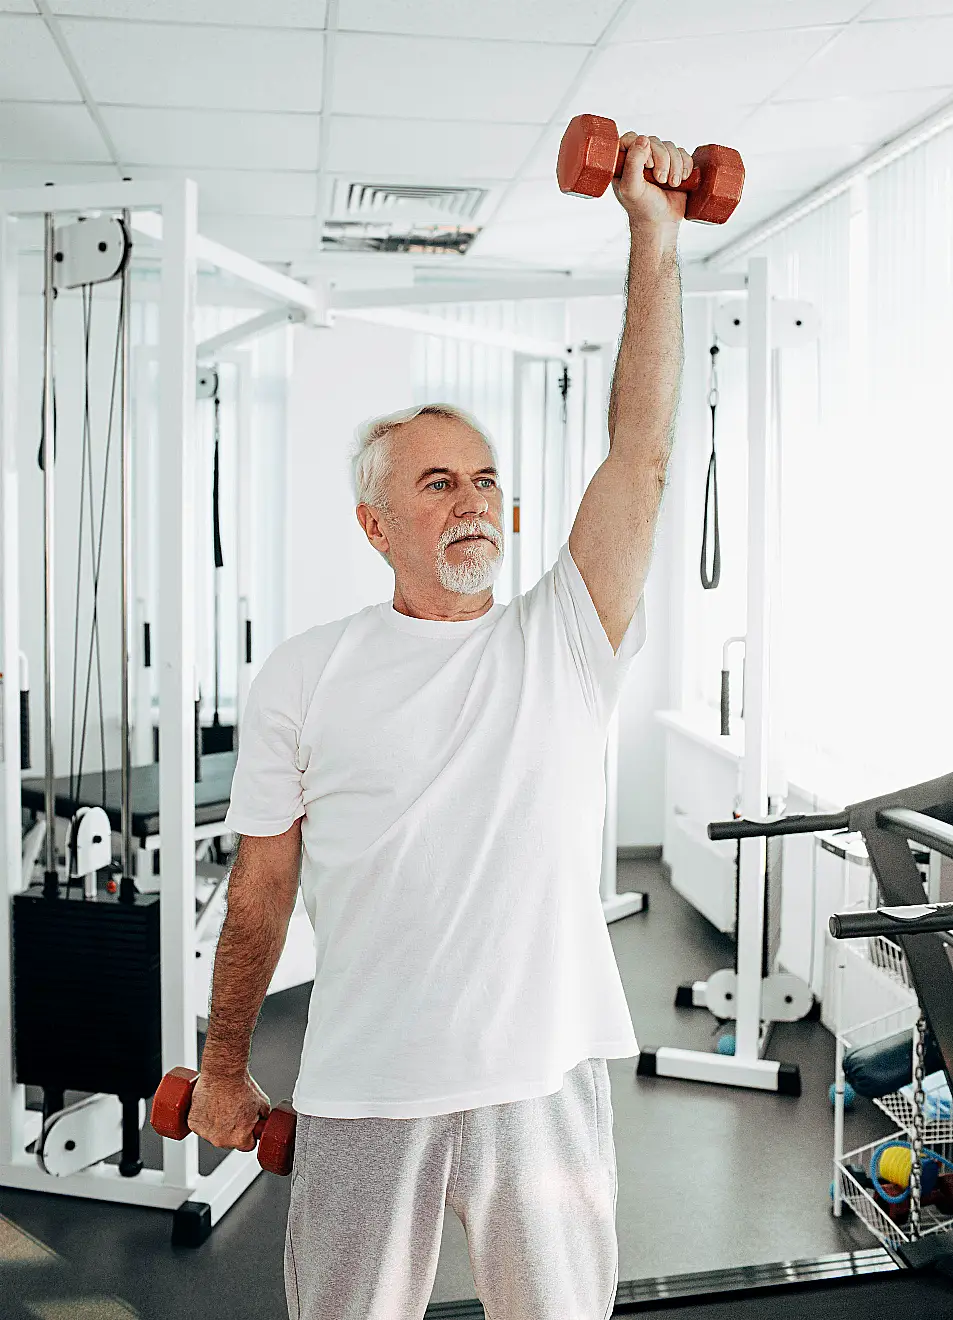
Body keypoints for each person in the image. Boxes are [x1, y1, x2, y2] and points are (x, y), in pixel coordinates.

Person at [190, 132, 691, 1320]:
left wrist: (651, 236)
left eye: (481, 482)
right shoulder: (305, 676)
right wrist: (221, 1068)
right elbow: (258, 896)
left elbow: (643, 451)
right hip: (367, 1088)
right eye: (434, 484)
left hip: (542, 1087)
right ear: (374, 525)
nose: (471, 502)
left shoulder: (561, 638)